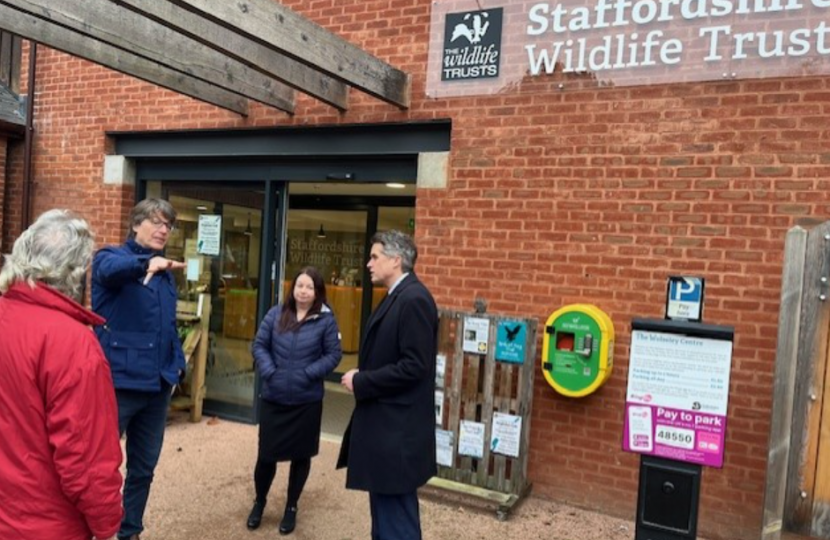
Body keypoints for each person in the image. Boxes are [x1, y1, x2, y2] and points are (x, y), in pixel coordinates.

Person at [0, 209, 123, 540]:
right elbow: (85, 457)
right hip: (45, 524)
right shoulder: (72, 342)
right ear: (77, 272)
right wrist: (107, 527)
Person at [92, 198, 187, 540]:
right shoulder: (111, 258)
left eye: (169, 225)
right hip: (119, 383)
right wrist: (147, 264)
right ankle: (93, 529)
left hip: (158, 385)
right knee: (101, 465)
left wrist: (178, 366)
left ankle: (129, 531)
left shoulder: (164, 272)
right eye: (157, 222)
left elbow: (167, 325)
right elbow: (109, 272)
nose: (164, 230)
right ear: (135, 224)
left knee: (143, 469)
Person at [338, 230, 439, 540]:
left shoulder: (414, 299)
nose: (368, 263)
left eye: (374, 257)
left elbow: (415, 366)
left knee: (397, 521)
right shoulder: (398, 296)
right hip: (387, 429)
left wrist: (362, 380)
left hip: (397, 432)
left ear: (396, 260)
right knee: (384, 515)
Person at [247, 266, 342, 535]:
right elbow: (259, 345)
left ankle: (291, 507)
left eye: (309, 287)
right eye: (300, 285)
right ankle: (259, 501)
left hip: (306, 400)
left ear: (317, 292)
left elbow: (333, 355)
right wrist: (270, 371)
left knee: (301, 456)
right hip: (275, 397)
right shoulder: (275, 314)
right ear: (293, 288)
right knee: (266, 456)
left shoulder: (325, 320)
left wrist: (307, 374)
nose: (303, 291)